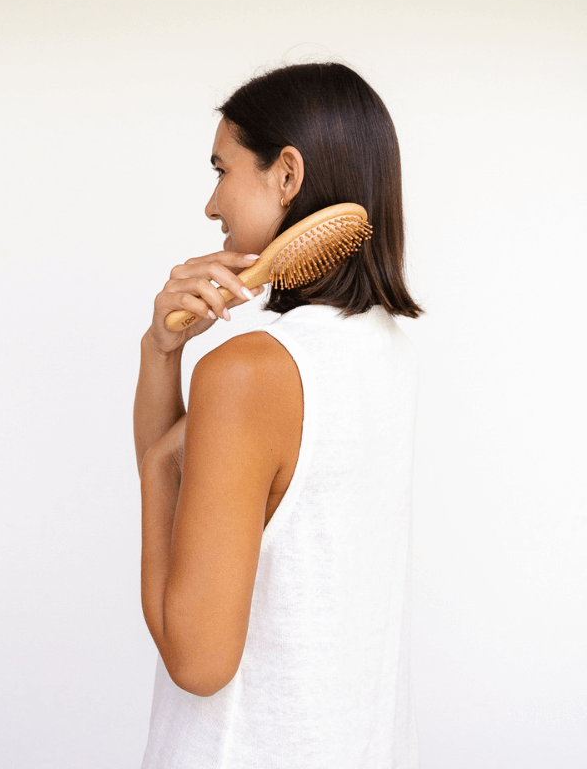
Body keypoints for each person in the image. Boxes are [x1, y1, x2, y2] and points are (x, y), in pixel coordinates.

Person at [133, 62, 424, 768]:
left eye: (222, 168)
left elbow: (197, 661)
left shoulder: (249, 372)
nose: (211, 204)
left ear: (286, 175)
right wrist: (160, 353)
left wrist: (151, 473)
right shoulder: (386, 348)